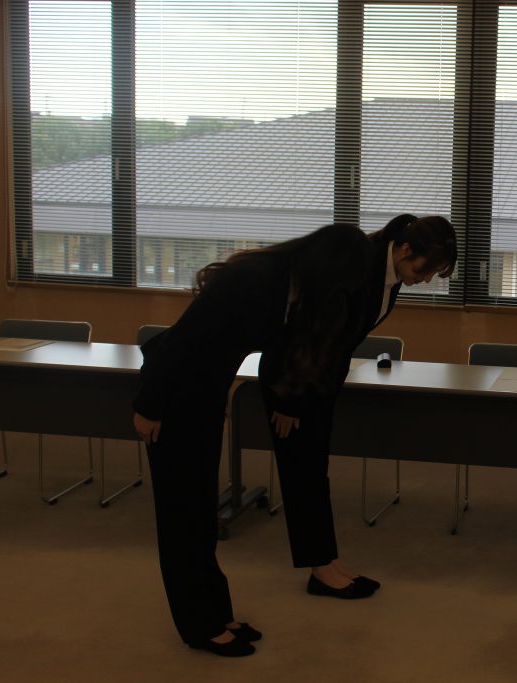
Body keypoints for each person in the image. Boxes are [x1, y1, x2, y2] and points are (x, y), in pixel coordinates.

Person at [132, 214, 457, 657]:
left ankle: (216, 614)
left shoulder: (292, 289)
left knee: (199, 510)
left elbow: (239, 347)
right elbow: (180, 342)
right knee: (183, 514)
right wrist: (149, 406)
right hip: (172, 396)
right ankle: (200, 626)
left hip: (203, 389)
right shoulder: (254, 282)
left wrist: (219, 394)